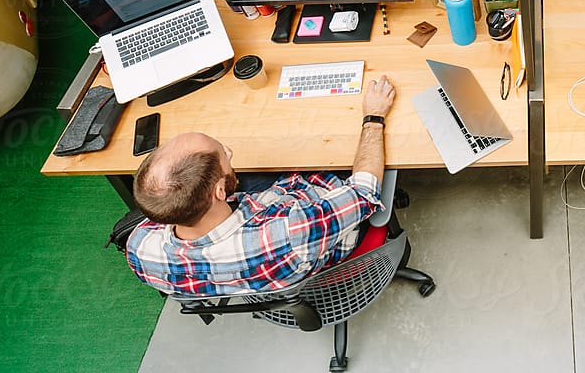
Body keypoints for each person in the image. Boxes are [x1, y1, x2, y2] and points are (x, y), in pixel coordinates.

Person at [126, 76, 397, 296]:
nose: (229, 152)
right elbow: (365, 192)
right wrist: (374, 116)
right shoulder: (291, 231)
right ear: (220, 192)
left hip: (262, 267)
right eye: (224, 154)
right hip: (318, 239)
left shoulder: (140, 249)